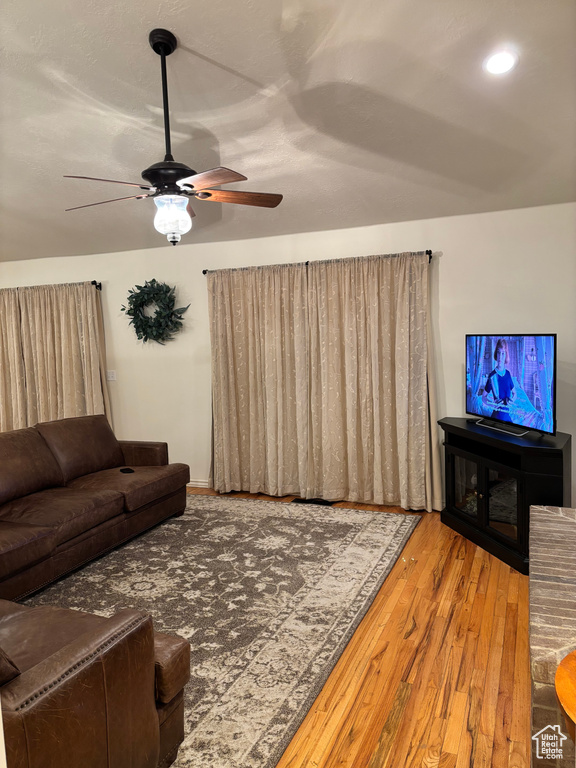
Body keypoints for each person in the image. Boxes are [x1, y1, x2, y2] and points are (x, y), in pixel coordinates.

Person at [482, 339, 516, 421]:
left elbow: (515, 393)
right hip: (496, 418)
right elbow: (483, 397)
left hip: (507, 417)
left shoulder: (508, 374)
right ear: (496, 354)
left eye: (503, 353)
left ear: (506, 355)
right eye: (498, 352)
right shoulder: (492, 376)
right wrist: (492, 404)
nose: (500, 356)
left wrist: (512, 400)